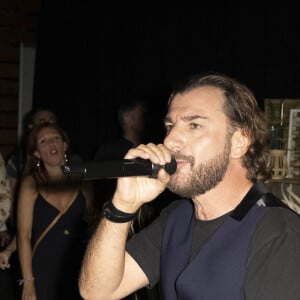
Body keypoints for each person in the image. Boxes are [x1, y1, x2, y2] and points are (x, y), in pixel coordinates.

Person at [79, 72, 300, 300]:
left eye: (194, 125)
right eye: (169, 126)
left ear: (239, 142)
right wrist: (123, 205)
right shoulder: (176, 218)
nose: (169, 141)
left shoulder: (280, 234)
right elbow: (97, 291)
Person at [17, 122, 94, 300]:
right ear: (36, 152)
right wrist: (28, 282)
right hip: (43, 268)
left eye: (55, 138)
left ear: (64, 145)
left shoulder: (81, 177)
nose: (51, 144)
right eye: (44, 141)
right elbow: (23, 236)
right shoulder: (31, 183)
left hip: (78, 266)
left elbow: (91, 219)